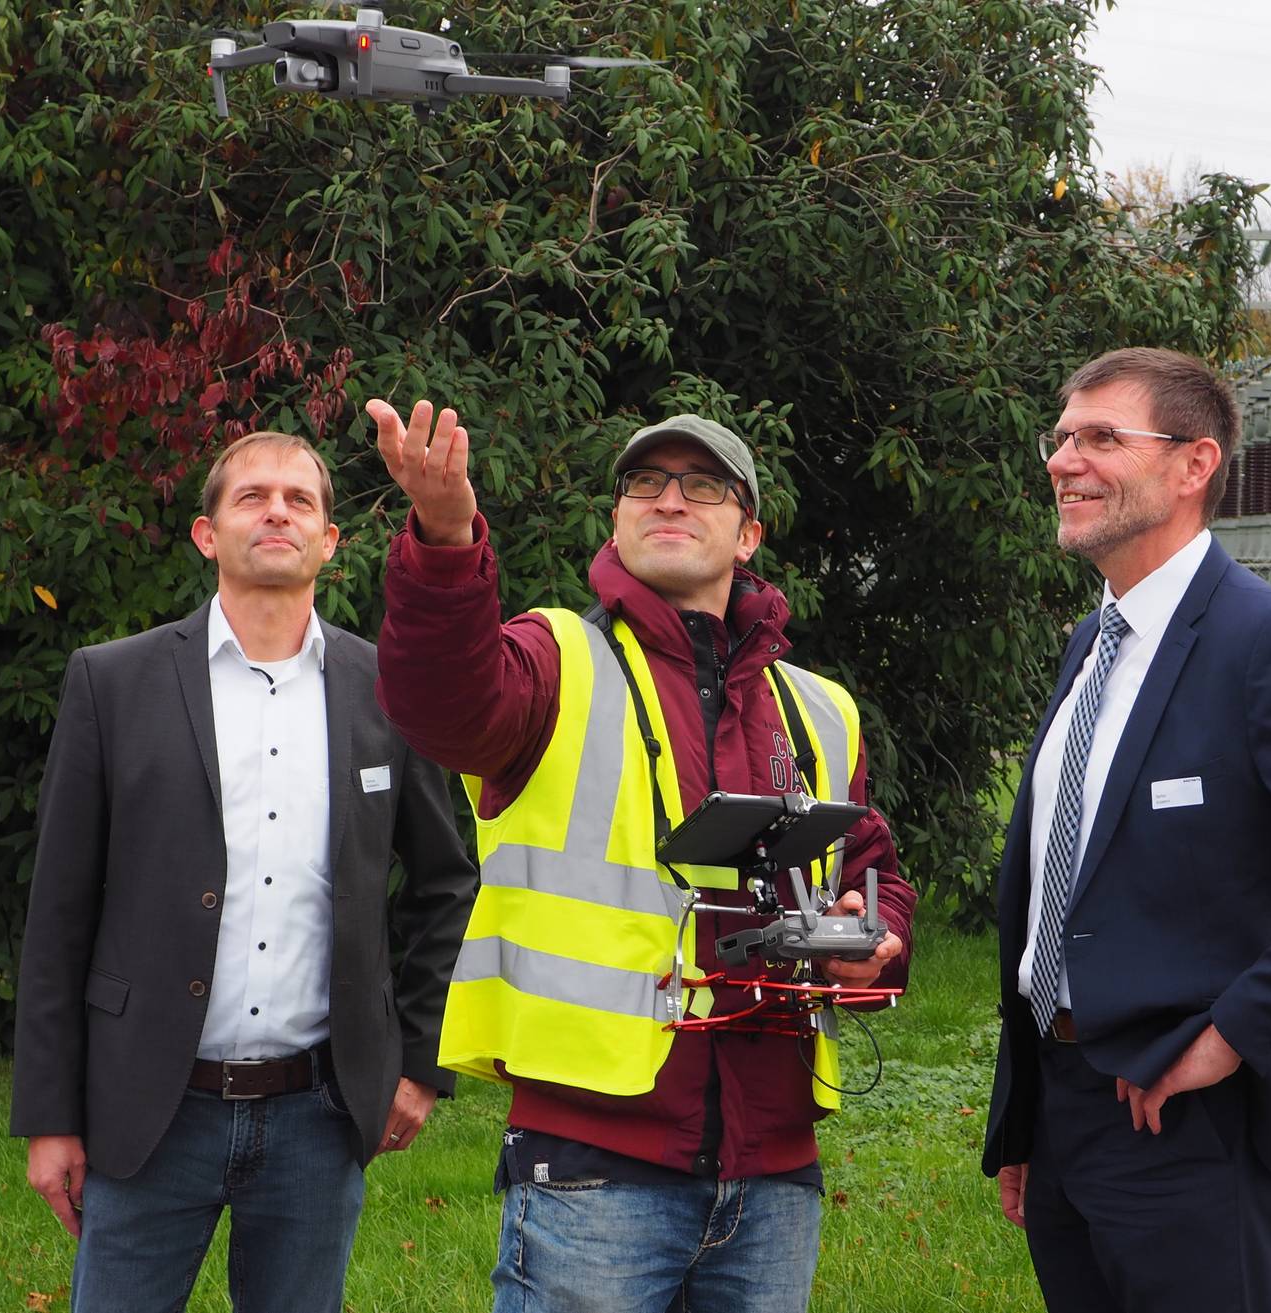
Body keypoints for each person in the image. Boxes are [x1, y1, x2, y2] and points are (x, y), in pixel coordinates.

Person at [367, 398, 917, 1313]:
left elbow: (875, 869)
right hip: (595, 1169)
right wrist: (445, 539)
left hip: (775, 1169)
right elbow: (438, 699)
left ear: (748, 532)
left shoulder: (819, 707)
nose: (670, 500)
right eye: (645, 484)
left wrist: (874, 931)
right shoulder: (553, 659)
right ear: (617, 521)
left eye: (701, 486)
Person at [978, 347, 1271, 1311]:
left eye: (1102, 437)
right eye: (1062, 437)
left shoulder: (1264, 640)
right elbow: (1062, 879)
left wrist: (1235, 1030)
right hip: (1066, 1106)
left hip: (1183, 1118)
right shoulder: (1094, 639)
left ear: (1195, 465)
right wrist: (1026, 1114)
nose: (1065, 459)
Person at [8, 430, 479, 1313]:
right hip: (149, 1107)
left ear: (331, 543)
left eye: (301, 500)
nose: (277, 511)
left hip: (320, 1112)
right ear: (206, 532)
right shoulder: (113, 683)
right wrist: (50, 1114)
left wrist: (418, 1061)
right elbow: (59, 911)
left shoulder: (391, 692)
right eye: (252, 496)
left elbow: (447, 882)